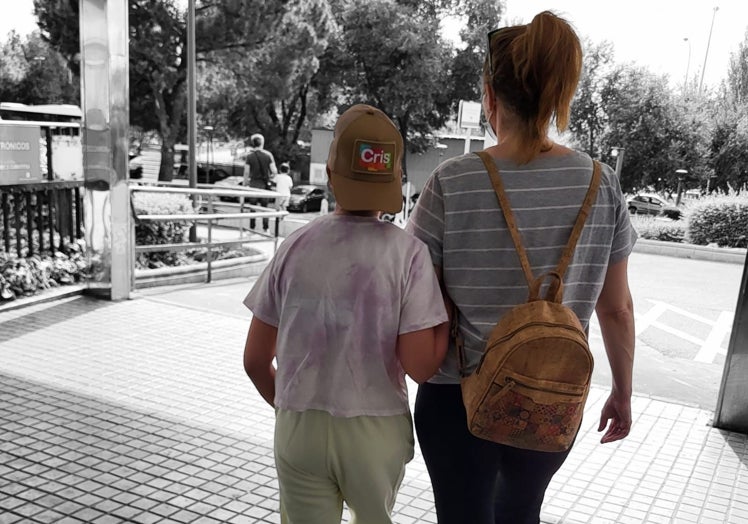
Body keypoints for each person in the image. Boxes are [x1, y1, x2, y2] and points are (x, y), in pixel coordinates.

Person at [405, 11, 637, 524]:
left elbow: (413, 297)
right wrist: (622, 392)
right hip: (553, 395)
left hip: (456, 398)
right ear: (557, 93)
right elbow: (616, 309)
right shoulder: (602, 184)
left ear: (490, 95)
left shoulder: (452, 181)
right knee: (520, 512)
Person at [242, 104, 450, 524]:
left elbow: (254, 360)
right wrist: (446, 322)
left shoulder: (294, 247)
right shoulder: (407, 254)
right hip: (375, 432)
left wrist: (292, 410)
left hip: (299, 424)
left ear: (332, 176)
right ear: (395, 181)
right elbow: (420, 366)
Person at [244, 133, 277, 231]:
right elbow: (274, 171)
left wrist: (245, 184)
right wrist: (269, 177)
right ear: (262, 143)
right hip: (264, 186)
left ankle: (252, 228)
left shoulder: (249, 156)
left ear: (253, 143)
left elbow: (246, 172)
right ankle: (265, 228)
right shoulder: (268, 155)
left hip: (253, 185)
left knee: (252, 207)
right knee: (264, 208)